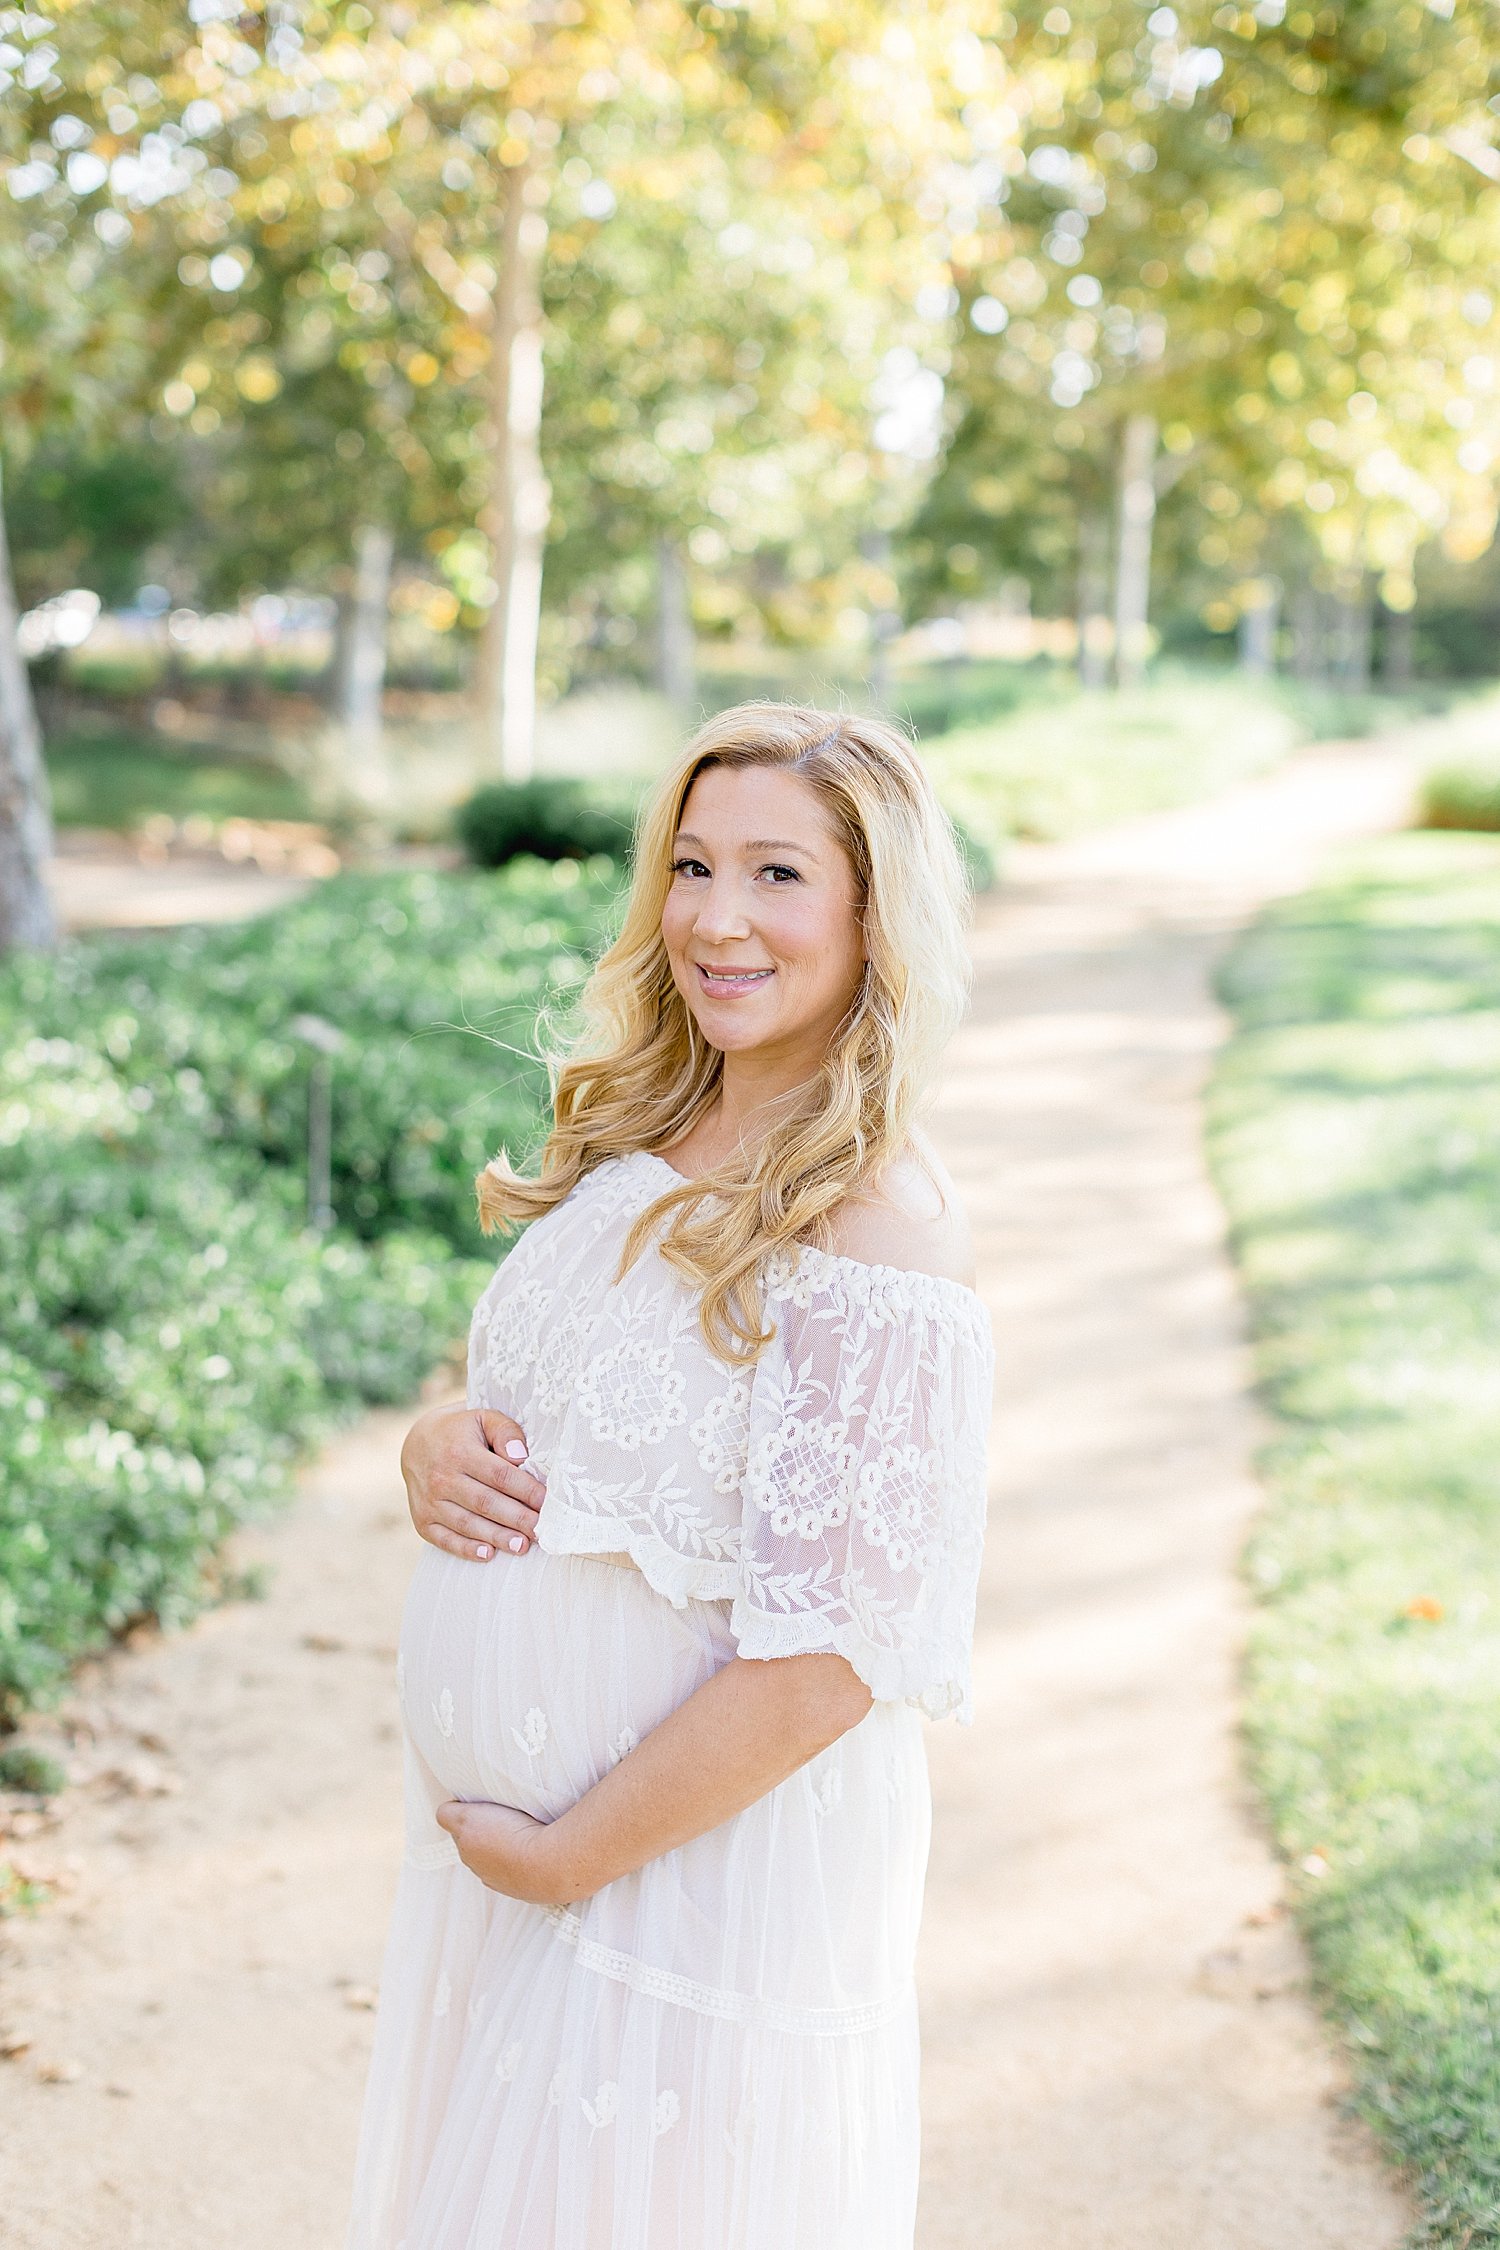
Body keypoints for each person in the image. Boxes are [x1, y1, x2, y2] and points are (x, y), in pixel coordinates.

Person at [344, 702, 995, 2250]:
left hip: (690, 1892)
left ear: (872, 909)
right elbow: (544, 1401)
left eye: (778, 874)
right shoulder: (649, 1121)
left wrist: (575, 1853)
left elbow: (841, 1648)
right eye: (693, 865)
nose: (715, 918)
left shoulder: (879, 1224)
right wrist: (435, 1442)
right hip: (537, 1884)